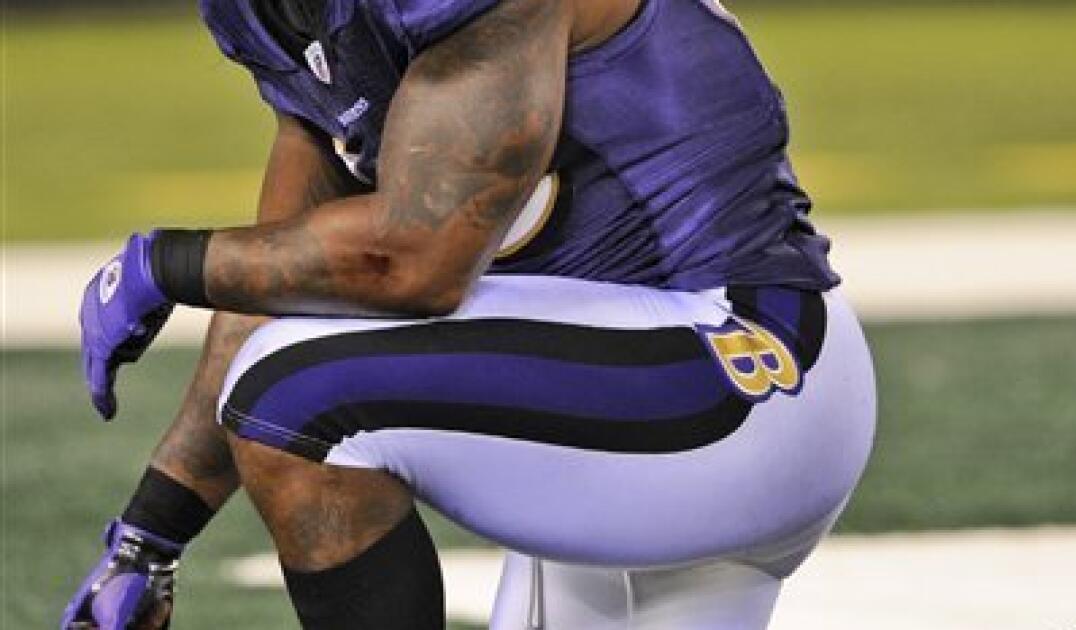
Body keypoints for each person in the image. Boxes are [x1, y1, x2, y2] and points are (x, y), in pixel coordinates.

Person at [62, 0, 877, 628]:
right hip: (629, 407)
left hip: (742, 372)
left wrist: (160, 265)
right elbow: (283, 280)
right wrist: (149, 539)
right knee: (288, 367)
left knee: (299, 396)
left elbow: (412, 260)